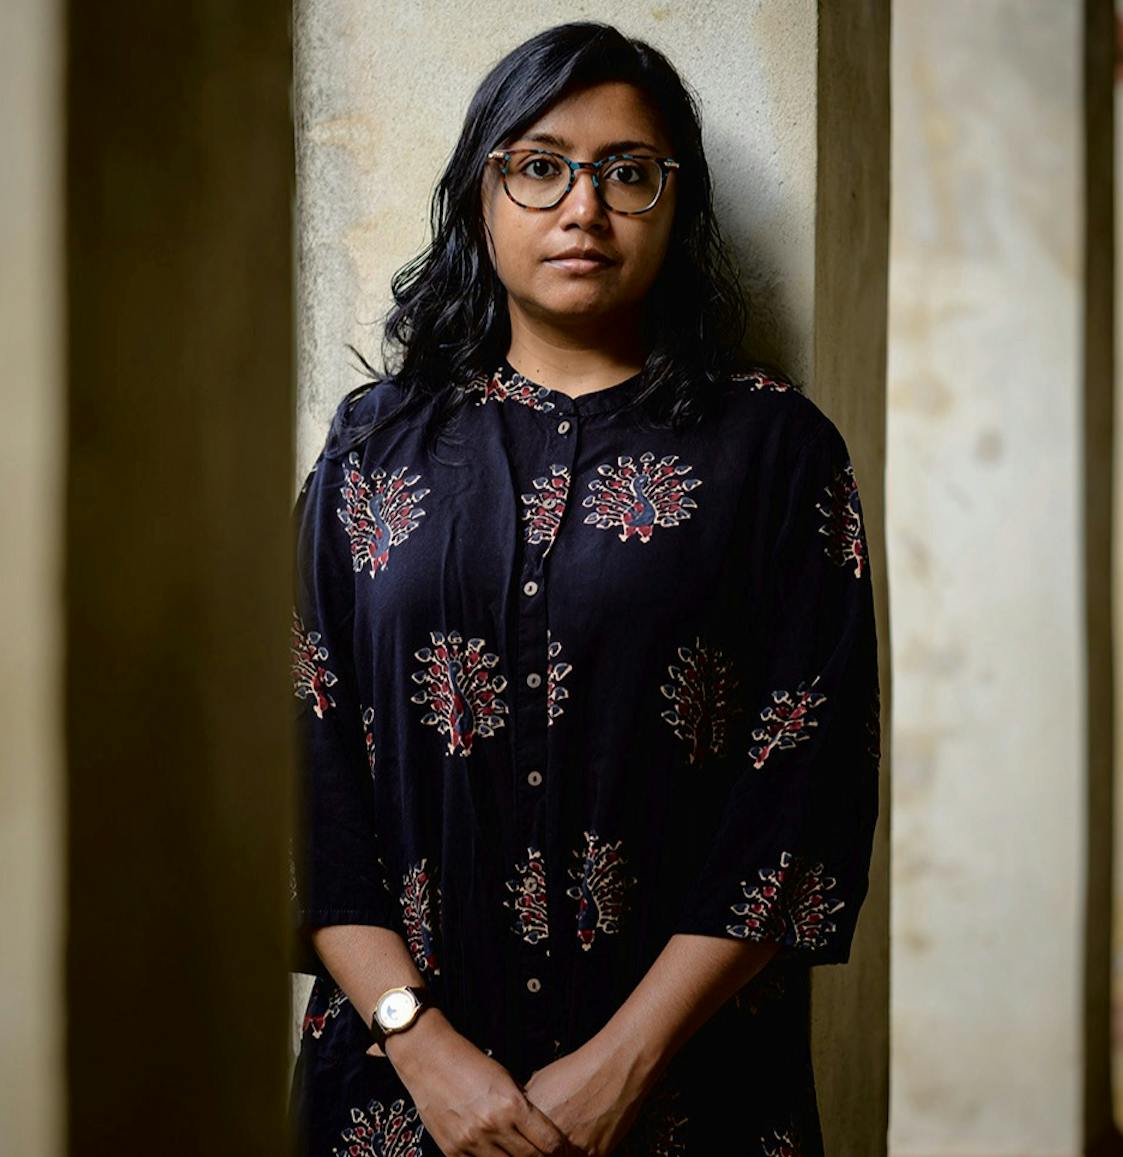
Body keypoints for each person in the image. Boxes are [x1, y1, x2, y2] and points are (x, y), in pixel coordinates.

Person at [288, 21, 881, 1157]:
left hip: (687, 1097)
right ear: (481, 195)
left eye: (629, 173)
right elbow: (306, 762)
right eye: (541, 165)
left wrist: (624, 1065)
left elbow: (801, 794)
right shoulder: (374, 447)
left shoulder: (774, 450)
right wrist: (420, 1042)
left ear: (678, 202)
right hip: (394, 1097)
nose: (584, 207)